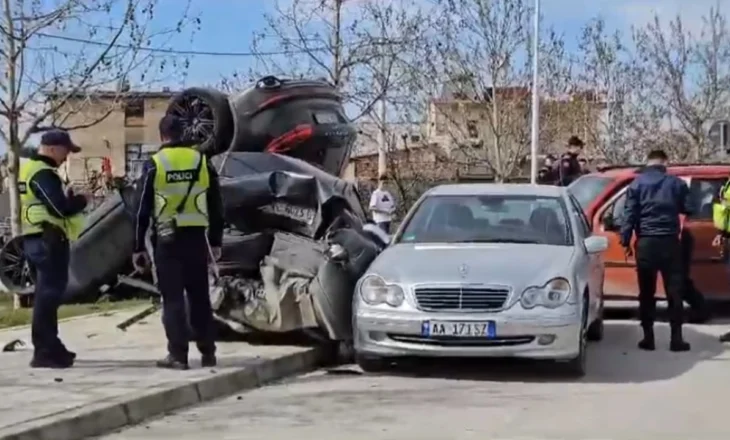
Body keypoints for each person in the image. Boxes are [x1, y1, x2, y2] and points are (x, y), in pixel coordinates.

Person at [133, 115, 224, 370]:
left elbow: (141, 209)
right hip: (196, 238)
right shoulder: (202, 161)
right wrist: (216, 241)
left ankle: (178, 355)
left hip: (167, 240)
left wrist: (138, 246)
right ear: (183, 134)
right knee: (200, 297)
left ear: (162, 136)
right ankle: (208, 353)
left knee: (172, 299)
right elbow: (217, 205)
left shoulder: (154, 164)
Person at [19, 129, 87, 368]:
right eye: (65, 151)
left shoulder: (29, 170)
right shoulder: (43, 173)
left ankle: (51, 347)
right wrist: (80, 201)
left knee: (46, 296)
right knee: (48, 296)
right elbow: (60, 209)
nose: (66, 156)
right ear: (52, 148)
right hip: (47, 239)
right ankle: (45, 351)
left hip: (35, 238)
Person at [620, 149, 691, 352]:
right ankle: (676, 339)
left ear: (648, 162)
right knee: (674, 293)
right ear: (664, 163)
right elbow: (689, 208)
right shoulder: (676, 184)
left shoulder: (636, 184)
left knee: (647, 292)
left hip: (646, 243)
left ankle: (648, 338)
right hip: (670, 242)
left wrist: (625, 240)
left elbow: (629, 215)